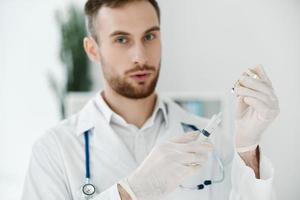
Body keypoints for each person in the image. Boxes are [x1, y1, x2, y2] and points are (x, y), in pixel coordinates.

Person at [21, 0, 280, 199]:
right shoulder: (53, 150)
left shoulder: (211, 141)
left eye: (149, 36)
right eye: (121, 39)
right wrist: (131, 191)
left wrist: (248, 148)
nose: (140, 56)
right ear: (92, 49)